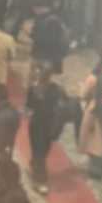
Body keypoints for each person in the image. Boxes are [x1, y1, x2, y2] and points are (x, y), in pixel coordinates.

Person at [26, 62, 66, 193]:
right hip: (45, 124)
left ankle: (37, 172)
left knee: (40, 151)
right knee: (41, 151)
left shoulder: (35, 89)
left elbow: (29, 107)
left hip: (40, 123)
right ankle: (40, 178)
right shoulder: (56, 89)